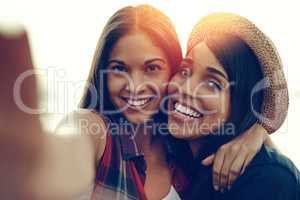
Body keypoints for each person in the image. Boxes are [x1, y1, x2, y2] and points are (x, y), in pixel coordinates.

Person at [0, 7, 288, 200]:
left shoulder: (186, 151)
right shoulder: (96, 131)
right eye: (119, 69)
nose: (135, 86)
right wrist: (36, 165)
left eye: (152, 68)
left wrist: (258, 129)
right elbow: (70, 146)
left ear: (172, 69)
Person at [166, 12, 299, 199]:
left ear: (242, 103)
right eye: (184, 71)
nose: (186, 89)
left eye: (213, 84)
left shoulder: (267, 179)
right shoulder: (173, 157)